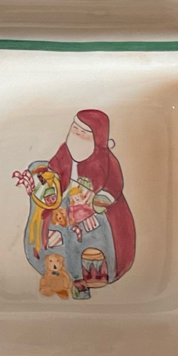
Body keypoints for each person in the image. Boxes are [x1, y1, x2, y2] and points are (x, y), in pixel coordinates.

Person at [43, 110, 136, 284]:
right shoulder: (65, 150)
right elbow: (53, 172)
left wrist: (93, 206)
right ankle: (63, 269)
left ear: (96, 137)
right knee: (57, 225)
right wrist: (50, 187)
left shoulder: (105, 159)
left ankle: (98, 271)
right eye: (75, 128)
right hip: (67, 202)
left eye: (83, 131)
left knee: (97, 237)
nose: (77, 133)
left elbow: (114, 186)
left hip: (100, 208)